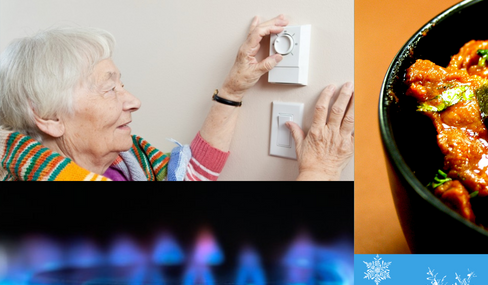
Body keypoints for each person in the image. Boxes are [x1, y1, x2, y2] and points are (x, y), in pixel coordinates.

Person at [0, 15, 353, 181]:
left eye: (122, 84)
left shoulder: (120, 167)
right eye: (110, 88)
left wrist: (233, 90)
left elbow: (186, 180)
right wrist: (319, 170)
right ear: (48, 117)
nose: (133, 101)